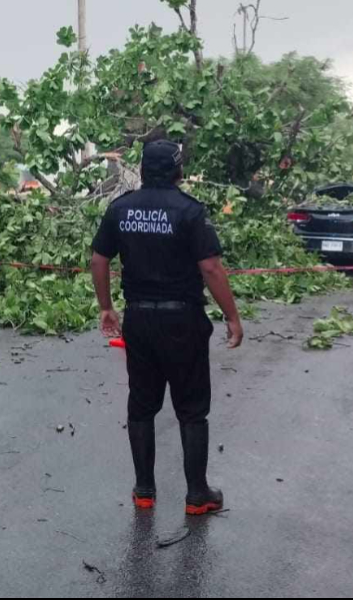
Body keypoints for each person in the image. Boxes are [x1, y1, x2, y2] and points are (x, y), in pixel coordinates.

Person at [90, 140, 243, 516]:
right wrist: (232, 316)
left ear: (142, 170)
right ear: (178, 171)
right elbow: (210, 268)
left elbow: (98, 259)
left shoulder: (120, 208)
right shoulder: (190, 211)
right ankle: (196, 495)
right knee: (191, 410)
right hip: (183, 321)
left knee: (141, 406)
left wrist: (106, 307)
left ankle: (144, 491)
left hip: (140, 320)